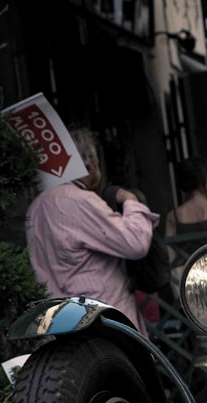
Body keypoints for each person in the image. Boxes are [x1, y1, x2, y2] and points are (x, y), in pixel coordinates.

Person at [25, 127, 159, 335]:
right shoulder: (80, 200)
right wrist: (131, 201)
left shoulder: (35, 208)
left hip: (61, 326)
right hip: (104, 321)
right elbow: (136, 242)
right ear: (88, 163)